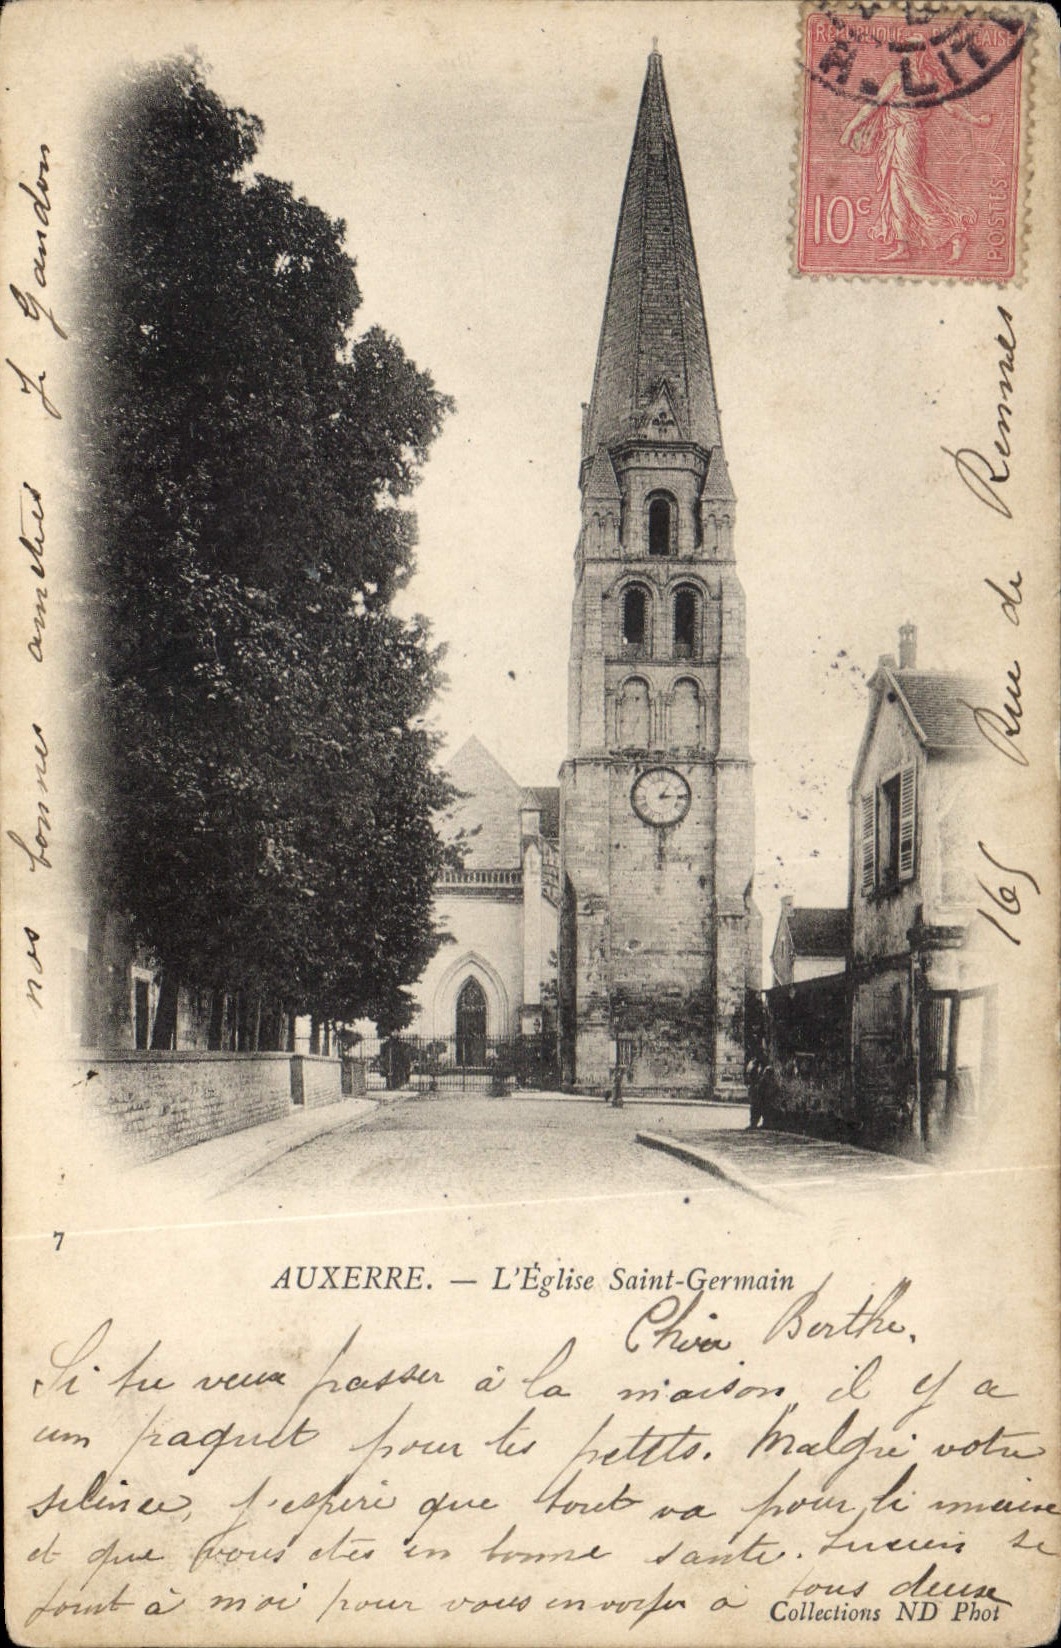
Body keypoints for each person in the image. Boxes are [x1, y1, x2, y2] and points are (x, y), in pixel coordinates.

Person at [839, 38, 992, 264]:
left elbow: (876, 105)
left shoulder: (909, 79)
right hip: (898, 136)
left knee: (912, 190)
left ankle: (955, 234)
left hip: (907, 137)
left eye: (909, 52)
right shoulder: (918, 78)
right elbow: (876, 104)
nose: (905, 56)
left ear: (919, 54)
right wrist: (976, 120)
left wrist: (851, 128)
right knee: (896, 190)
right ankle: (902, 245)